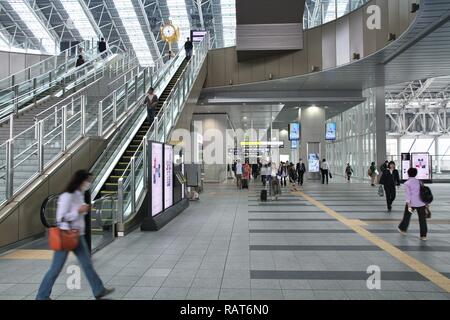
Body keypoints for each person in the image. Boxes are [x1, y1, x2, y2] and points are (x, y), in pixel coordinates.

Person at [36, 170, 114, 300]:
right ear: (80, 180)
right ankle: (42, 296)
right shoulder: (67, 195)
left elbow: (78, 213)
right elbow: (60, 218)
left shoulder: (79, 194)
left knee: (87, 264)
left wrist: (83, 209)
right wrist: (78, 211)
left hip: (78, 235)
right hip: (66, 236)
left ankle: (99, 290)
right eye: (87, 181)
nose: (88, 183)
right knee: (55, 269)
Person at [398, 168, 429, 241]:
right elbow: (423, 192)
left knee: (407, 216)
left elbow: (408, 195)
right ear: (416, 174)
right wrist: (426, 203)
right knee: (422, 219)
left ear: (408, 174)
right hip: (421, 203)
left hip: (411, 203)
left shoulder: (407, 183)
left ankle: (403, 230)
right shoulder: (420, 182)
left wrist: (408, 204)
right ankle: (423, 236)